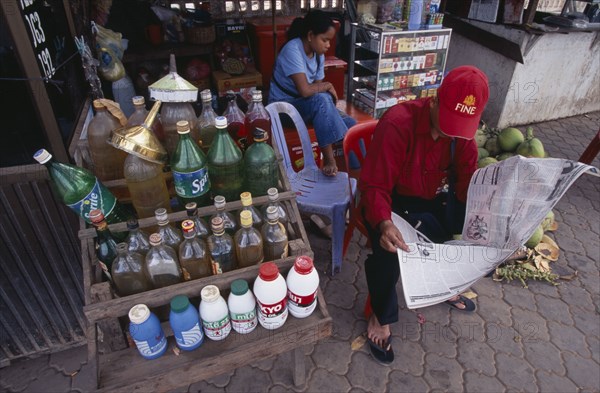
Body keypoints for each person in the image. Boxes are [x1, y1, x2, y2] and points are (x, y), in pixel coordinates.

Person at [358, 65, 490, 365]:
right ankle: (381, 314)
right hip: (386, 200)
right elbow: (375, 185)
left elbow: (467, 181)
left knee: (459, 233)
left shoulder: (463, 137)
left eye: (460, 126)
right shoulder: (398, 124)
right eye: (447, 123)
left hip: (428, 198)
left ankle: (443, 285)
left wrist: (490, 213)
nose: (450, 132)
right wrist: (385, 222)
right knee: (389, 250)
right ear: (434, 101)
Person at [269, 10, 356, 176]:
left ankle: (356, 170)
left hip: (303, 104)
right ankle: (329, 160)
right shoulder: (292, 50)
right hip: (283, 109)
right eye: (325, 40)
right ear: (310, 35)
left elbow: (316, 90)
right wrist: (328, 86)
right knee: (322, 99)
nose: (328, 45)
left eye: (329, 41)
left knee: (350, 123)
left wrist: (328, 98)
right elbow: (306, 91)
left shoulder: (318, 54)